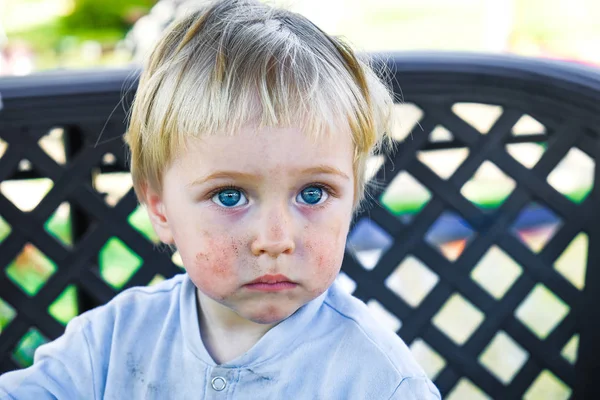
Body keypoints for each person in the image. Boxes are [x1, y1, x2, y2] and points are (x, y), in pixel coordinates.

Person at [0, 0, 441, 398]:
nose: (275, 239)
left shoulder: (380, 382)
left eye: (313, 192)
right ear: (160, 209)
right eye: (229, 196)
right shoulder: (110, 346)